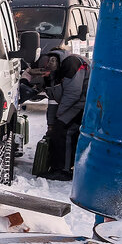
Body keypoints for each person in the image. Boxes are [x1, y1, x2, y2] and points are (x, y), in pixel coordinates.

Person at [26, 49, 89, 180]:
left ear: (49, 68)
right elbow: (53, 100)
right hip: (73, 103)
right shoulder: (51, 75)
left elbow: (73, 95)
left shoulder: (71, 64)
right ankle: (59, 165)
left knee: (64, 129)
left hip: (84, 102)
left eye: (43, 74)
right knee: (56, 129)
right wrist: (50, 124)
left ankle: (63, 171)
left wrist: (58, 118)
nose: (42, 77)